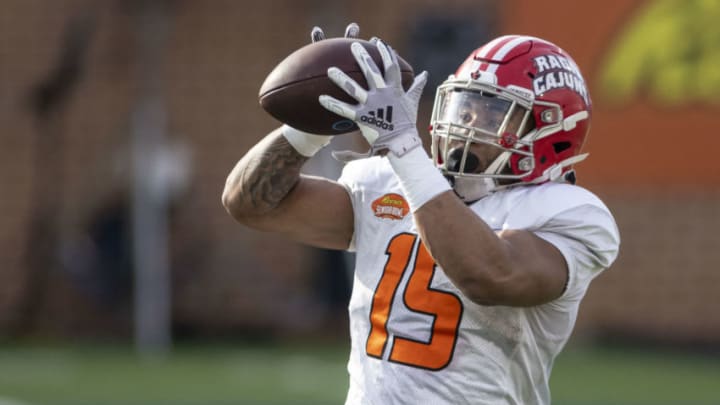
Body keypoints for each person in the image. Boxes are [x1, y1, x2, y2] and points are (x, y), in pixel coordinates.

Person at [222, 23, 620, 405]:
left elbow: (488, 274)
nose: (466, 123)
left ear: (550, 130)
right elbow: (252, 204)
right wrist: (311, 126)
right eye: (465, 106)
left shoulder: (570, 214)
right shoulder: (388, 181)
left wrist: (404, 150)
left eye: (492, 113)